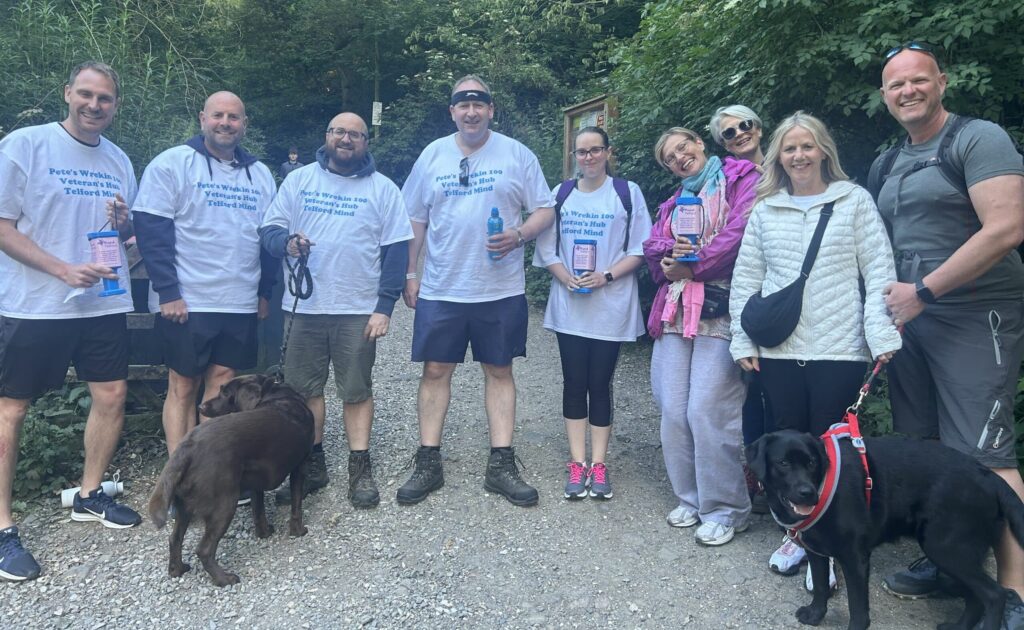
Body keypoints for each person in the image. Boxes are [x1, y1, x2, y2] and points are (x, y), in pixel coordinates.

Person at [870, 43, 1024, 617]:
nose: (907, 90)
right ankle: (950, 557)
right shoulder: (888, 162)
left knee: (986, 452)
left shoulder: (978, 139)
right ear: (884, 96)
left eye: (918, 79)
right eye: (896, 85)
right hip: (911, 320)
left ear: (942, 82)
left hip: (974, 313)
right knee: (928, 448)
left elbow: (1006, 228)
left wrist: (925, 292)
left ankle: (1015, 594)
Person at [729, 111, 902, 590]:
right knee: (787, 452)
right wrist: (742, 339)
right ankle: (798, 534)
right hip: (779, 351)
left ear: (824, 150)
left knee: (832, 451)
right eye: (790, 148)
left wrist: (881, 334)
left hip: (838, 348)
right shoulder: (766, 208)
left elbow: (878, 269)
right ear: (778, 157)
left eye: (807, 146)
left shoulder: (854, 201)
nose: (799, 155)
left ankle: (833, 543)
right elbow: (747, 279)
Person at [0, 61, 143, 581]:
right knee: (12, 409)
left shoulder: (119, 159)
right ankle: (3, 527)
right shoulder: (26, 145)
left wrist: (124, 226)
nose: (94, 105)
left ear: (115, 105)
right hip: (34, 303)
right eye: (86, 94)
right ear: (67, 94)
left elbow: (126, 235)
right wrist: (61, 269)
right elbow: (2, 226)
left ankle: (89, 495)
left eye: (104, 98)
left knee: (112, 396)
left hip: (101, 303)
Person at [398, 75, 555, 507]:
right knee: (435, 370)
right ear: (452, 112)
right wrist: (409, 273)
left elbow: (545, 209)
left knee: (500, 370)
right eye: (463, 105)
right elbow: (415, 218)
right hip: (442, 286)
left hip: (500, 288)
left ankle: (501, 463)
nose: (471, 112)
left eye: (479, 104)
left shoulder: (516, 154)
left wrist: (520, 234)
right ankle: (428, 460)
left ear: (491, 110)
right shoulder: (432, 155)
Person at [259, 113, 412, 509]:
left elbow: (396, 251)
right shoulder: (299, 180)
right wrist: (287, 243)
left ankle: (360, 467)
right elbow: (269, 231)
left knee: (356, 390)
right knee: (304, 390)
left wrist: (384, 307)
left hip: (358, 309)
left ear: (366, 142)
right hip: (304, 307)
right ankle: (312, 464)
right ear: (327, 136)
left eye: (356, 134)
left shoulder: (383, 189)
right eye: (339, 132)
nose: (346, 139)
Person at [133, 92, 277, 474]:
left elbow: (268, 237)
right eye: (218, 115)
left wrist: (263, 292)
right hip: (187, 299)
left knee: (223, 385)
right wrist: (168, 292)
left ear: (244, 124)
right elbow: (151, 230)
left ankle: (209, 470)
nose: (225, 123)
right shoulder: (172, 164)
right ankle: (179, 471)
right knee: (182, 385)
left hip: (239, 298)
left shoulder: (260, 174)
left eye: (234, 117)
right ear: (202, 118)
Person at [643, 126, 758, 546]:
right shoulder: (674, 202)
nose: (679, 158)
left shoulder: (739, 179)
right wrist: (668, 256)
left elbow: (737, 237)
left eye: (682, 148)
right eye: (669, 158)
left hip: (722, 307)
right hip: (675, 309)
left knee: (708, 408)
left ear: (699, 143)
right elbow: (653, 248)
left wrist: (694, 266)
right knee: (673, 407)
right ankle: (690, 499)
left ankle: (727, 509)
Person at [533, 126, 652, 500]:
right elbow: (547, 248)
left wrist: (607, 276)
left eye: (595, 150)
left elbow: (642, 248)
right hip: (570, 306)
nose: (589, 158)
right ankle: (577, 462)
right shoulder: (561, 194)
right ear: (574, 156)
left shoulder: (626, 193)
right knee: (573, 382)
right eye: (582, 152)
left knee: (600, 384)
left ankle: (599, 464)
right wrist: (565, 277)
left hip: (610, 306)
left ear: (608, 152)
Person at [709, 104, 772, 512]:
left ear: (759, 127)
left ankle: (785, 476)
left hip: (784, 290)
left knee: (778, 388)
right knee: (748, 388)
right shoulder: (725, 180)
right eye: (728, 133)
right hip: (742, 288)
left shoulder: (786, 167)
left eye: (744, 125)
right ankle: (754, 471)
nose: (739, 134)